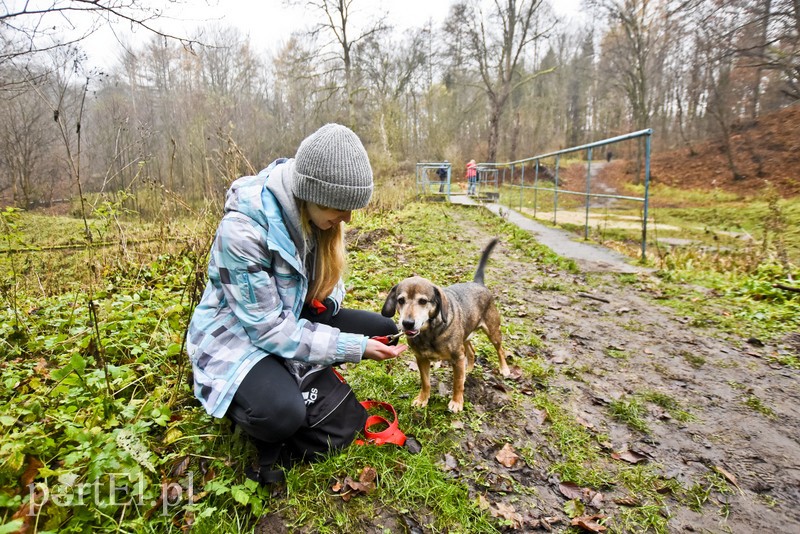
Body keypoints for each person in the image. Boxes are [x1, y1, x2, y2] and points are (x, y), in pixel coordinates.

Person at [186, 123, 406, 485]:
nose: (348, 219)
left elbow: (331, 285)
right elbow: (268, 328)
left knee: (385, 332)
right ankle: (250, 404)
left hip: (289, 317)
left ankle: (295, 373)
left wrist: (326, 303)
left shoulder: (318, 217)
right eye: (341, 208)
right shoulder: (243, 230)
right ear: (310, 194)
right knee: (283, 414)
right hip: (236, 337)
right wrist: (351, 347)